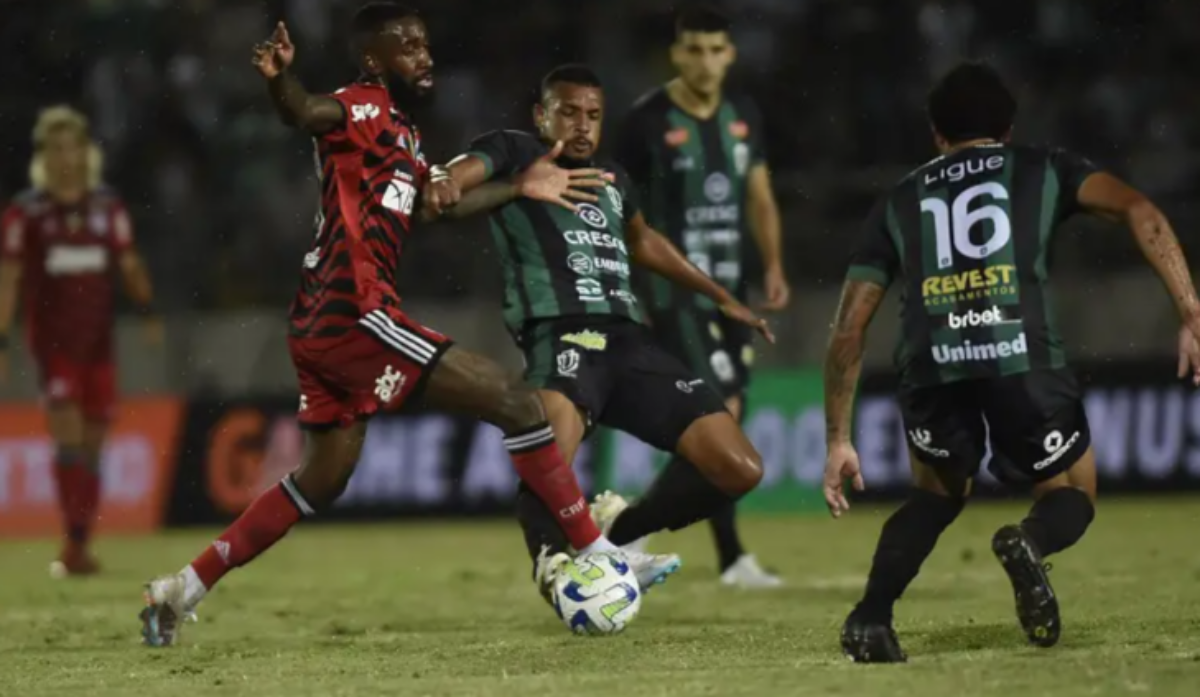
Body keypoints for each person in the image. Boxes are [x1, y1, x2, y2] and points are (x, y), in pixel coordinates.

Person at [139, 3, 643, 648]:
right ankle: (593, 550)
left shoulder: (401, 135)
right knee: (518, 405)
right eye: (405, 45)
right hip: (355, 312)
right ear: (374, 58)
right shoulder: (364, 104)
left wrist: (520, 189)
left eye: (425, 43)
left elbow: (434, 209)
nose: (422, 55)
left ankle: (181, 588)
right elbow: (307, 112)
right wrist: (280, 83)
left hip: (325, 319)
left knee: (320, 481)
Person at [822, 62, 1200, 663]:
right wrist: (1190, 311)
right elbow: (1143, 212)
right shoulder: (1043, 167)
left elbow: (849, 329)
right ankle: (1028, 539)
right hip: (1019, 355)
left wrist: (838, 438)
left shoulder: (898, 200)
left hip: (932, 364)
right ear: (1009, 125)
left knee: (936, 496)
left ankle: (870, 619)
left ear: (936, 133)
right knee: (1073, 488)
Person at [442, 64, 770, 604]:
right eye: (567, 112)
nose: (581, 126)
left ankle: (616, 533)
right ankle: (552, 567)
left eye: (592, 115)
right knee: (548, 455)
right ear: (540, 115)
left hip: (630, 341)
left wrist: (719, 295)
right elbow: (453, 186)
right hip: (562, 336)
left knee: (739, 468)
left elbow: (644, 242)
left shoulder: (613, 178)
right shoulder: (514, 151)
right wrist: (506, 184)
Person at [616, 5, 788, 588]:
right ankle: (710, 552)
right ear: (676, 53)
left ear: (731, 53)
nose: (706, 61)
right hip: (673, 296)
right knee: (719, 418)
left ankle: (635, 529)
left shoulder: (745, 114)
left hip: (733, 292)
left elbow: (759, 195)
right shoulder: (645, 122)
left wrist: (772, 264)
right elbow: (621, 211)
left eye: (716, 49)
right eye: (695, 49)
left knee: (725, 421)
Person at [0, 106, 160, 577]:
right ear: (43, 157)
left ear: (86, 153)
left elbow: (129, 263)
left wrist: (147, 307)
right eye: (56, 149)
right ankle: (74, 542)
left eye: (73, 148)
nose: (65, 159)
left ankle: (79, 542)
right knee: (68, 441)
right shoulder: (25, 213)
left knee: (91, 448)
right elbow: (8, 278)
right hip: (54, 349)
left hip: (99, 347)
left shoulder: (107, 208)